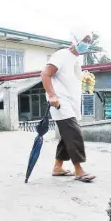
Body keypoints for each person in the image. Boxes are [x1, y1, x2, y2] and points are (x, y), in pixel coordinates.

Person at [41, 28, 96, 182]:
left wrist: (85, 78)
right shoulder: (61, 55)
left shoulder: (78, 59)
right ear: (75, 39)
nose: (86, 44)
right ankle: (79, 170)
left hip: (72, 102)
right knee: (74, 132)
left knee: (67, 135)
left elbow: (73, 78)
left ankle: (57, 167)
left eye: (88, 41)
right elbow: (45, 74)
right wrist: (52, 95)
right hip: (59, 101)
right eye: (84, 40)